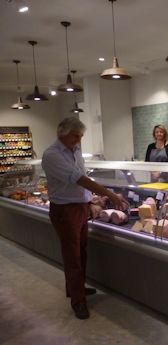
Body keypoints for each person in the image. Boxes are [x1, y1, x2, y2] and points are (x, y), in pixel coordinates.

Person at [42, 117, 128, 320]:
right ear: (62, 133)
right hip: (65, 210)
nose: (79, 140)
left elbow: (82, 179)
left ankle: (75, 288)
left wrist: (90, 199)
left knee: (80, 251)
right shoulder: (52, 155)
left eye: (81, 136)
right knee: (72, 256)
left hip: (80, 207)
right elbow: (79, 179)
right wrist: (111, 195)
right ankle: (78, 301)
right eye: (76, 136)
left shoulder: (76, 151)